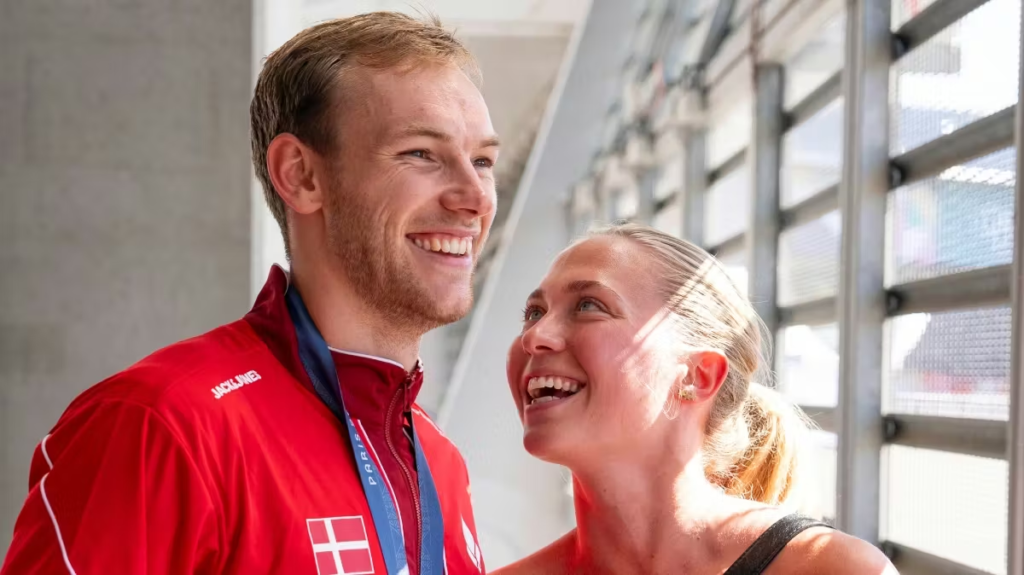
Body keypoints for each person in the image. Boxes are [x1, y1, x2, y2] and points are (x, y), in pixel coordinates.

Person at [2, 11, 495, 575]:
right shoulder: (163, 426)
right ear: (301, 175)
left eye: (483, 161)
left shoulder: (439, 462)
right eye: (421, 154)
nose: (476, 196)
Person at [497, 223, 898, 575]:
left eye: (589, 306)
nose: (534, 336)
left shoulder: (834, 569)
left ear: (698, 375)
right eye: (534, 313)